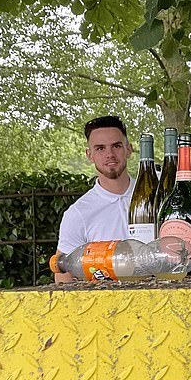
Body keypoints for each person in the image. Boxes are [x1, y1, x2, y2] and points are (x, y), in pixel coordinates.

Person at [54, 115, 134, 282]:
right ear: (89, 155)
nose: (110, 154)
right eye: (100, 148)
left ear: (129, 149)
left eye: (116, 146)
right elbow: (63, 278)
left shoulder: (156, 198)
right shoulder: (77, 214)